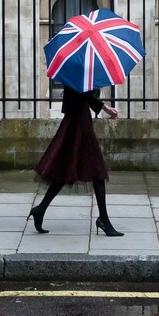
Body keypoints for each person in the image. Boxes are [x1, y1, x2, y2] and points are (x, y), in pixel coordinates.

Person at [28, 85, 124, 237]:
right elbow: (81, 95)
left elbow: (83, 95)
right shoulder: (76, 72)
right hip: (79, 124)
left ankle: (40, 209)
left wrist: (102, 106)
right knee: (98, 170)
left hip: (78, 121)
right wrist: (105, 107)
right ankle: (103, 219)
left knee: (65, 169)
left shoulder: (77, 72)